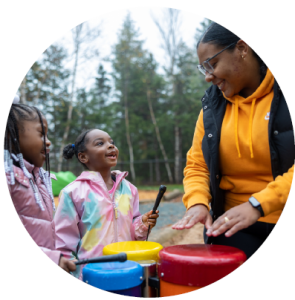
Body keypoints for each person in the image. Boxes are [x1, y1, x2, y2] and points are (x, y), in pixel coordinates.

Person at [172, 22, 294, 259]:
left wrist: (257, 205)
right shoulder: (210, 110)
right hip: (233, 225)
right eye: (203, 68)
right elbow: (197, 165)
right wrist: (197, 202)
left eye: (212, 64)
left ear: (242, 48)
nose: (208, 77)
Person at [54, 128, 159, 278]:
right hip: (92, 274)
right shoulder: (72, 193)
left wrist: (142, 223)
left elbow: (133, 228)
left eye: (112, 142)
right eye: (100, 143)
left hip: (127, 269)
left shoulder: (130, 189)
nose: (110, 146)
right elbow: (63, 241)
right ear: (83, 157)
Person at [5, 102, 76, 273]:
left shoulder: (39, 177)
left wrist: (57, 256)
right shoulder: (9, 179)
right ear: (10, 136)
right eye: (41, 134)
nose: (48, 142)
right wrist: (49, 258)